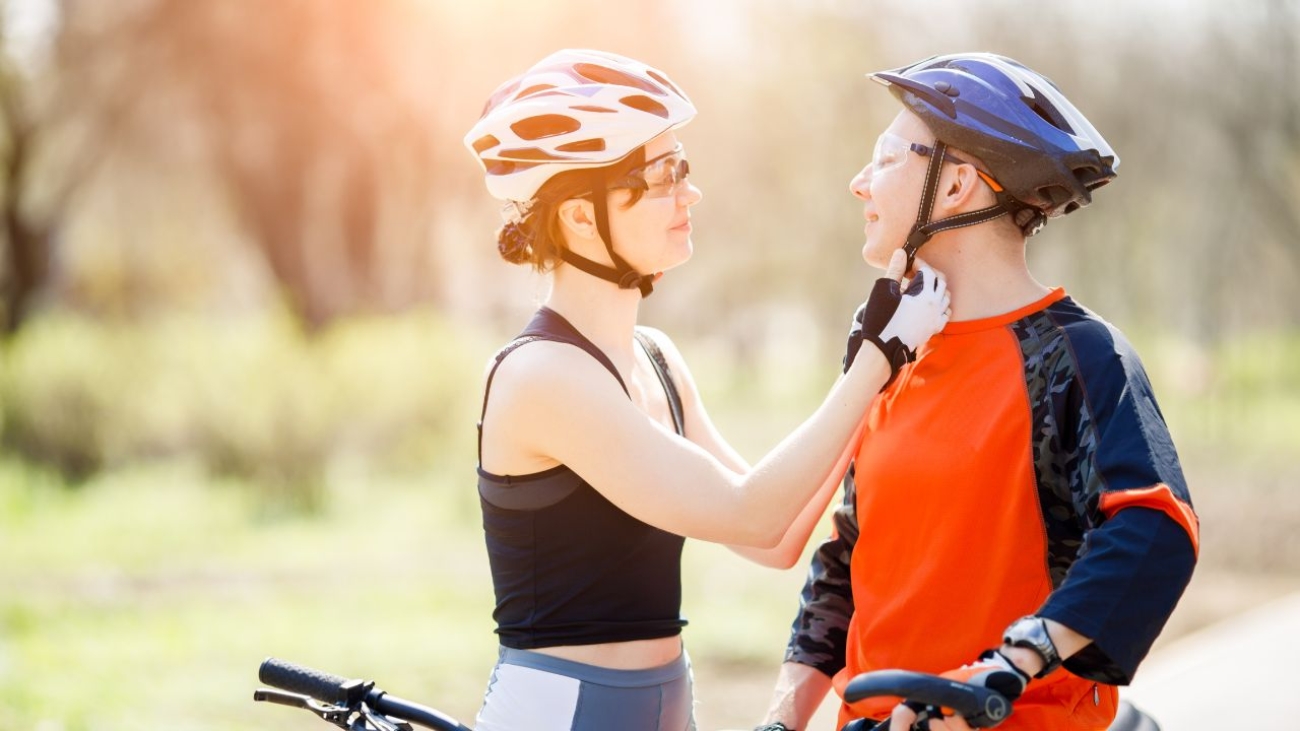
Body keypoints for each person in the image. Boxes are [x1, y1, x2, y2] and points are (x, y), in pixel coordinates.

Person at [462, 49, 951, 731]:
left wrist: (871, 370)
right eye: (661, 176)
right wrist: (875, 358)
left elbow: (775, 541)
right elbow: (752, 513)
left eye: (683, 168)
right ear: (579, 218)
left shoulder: (658, 358)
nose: (688, 193)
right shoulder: (541, 374)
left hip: (667, 705)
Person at [756, 53, 1199, 731]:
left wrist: (1010, 666)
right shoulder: (889, 349)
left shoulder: (1077, 355)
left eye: (884, 158)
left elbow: (1154, 528)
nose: (858, 182)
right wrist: (782, 719)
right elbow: (848, 555)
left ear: (957, 184)